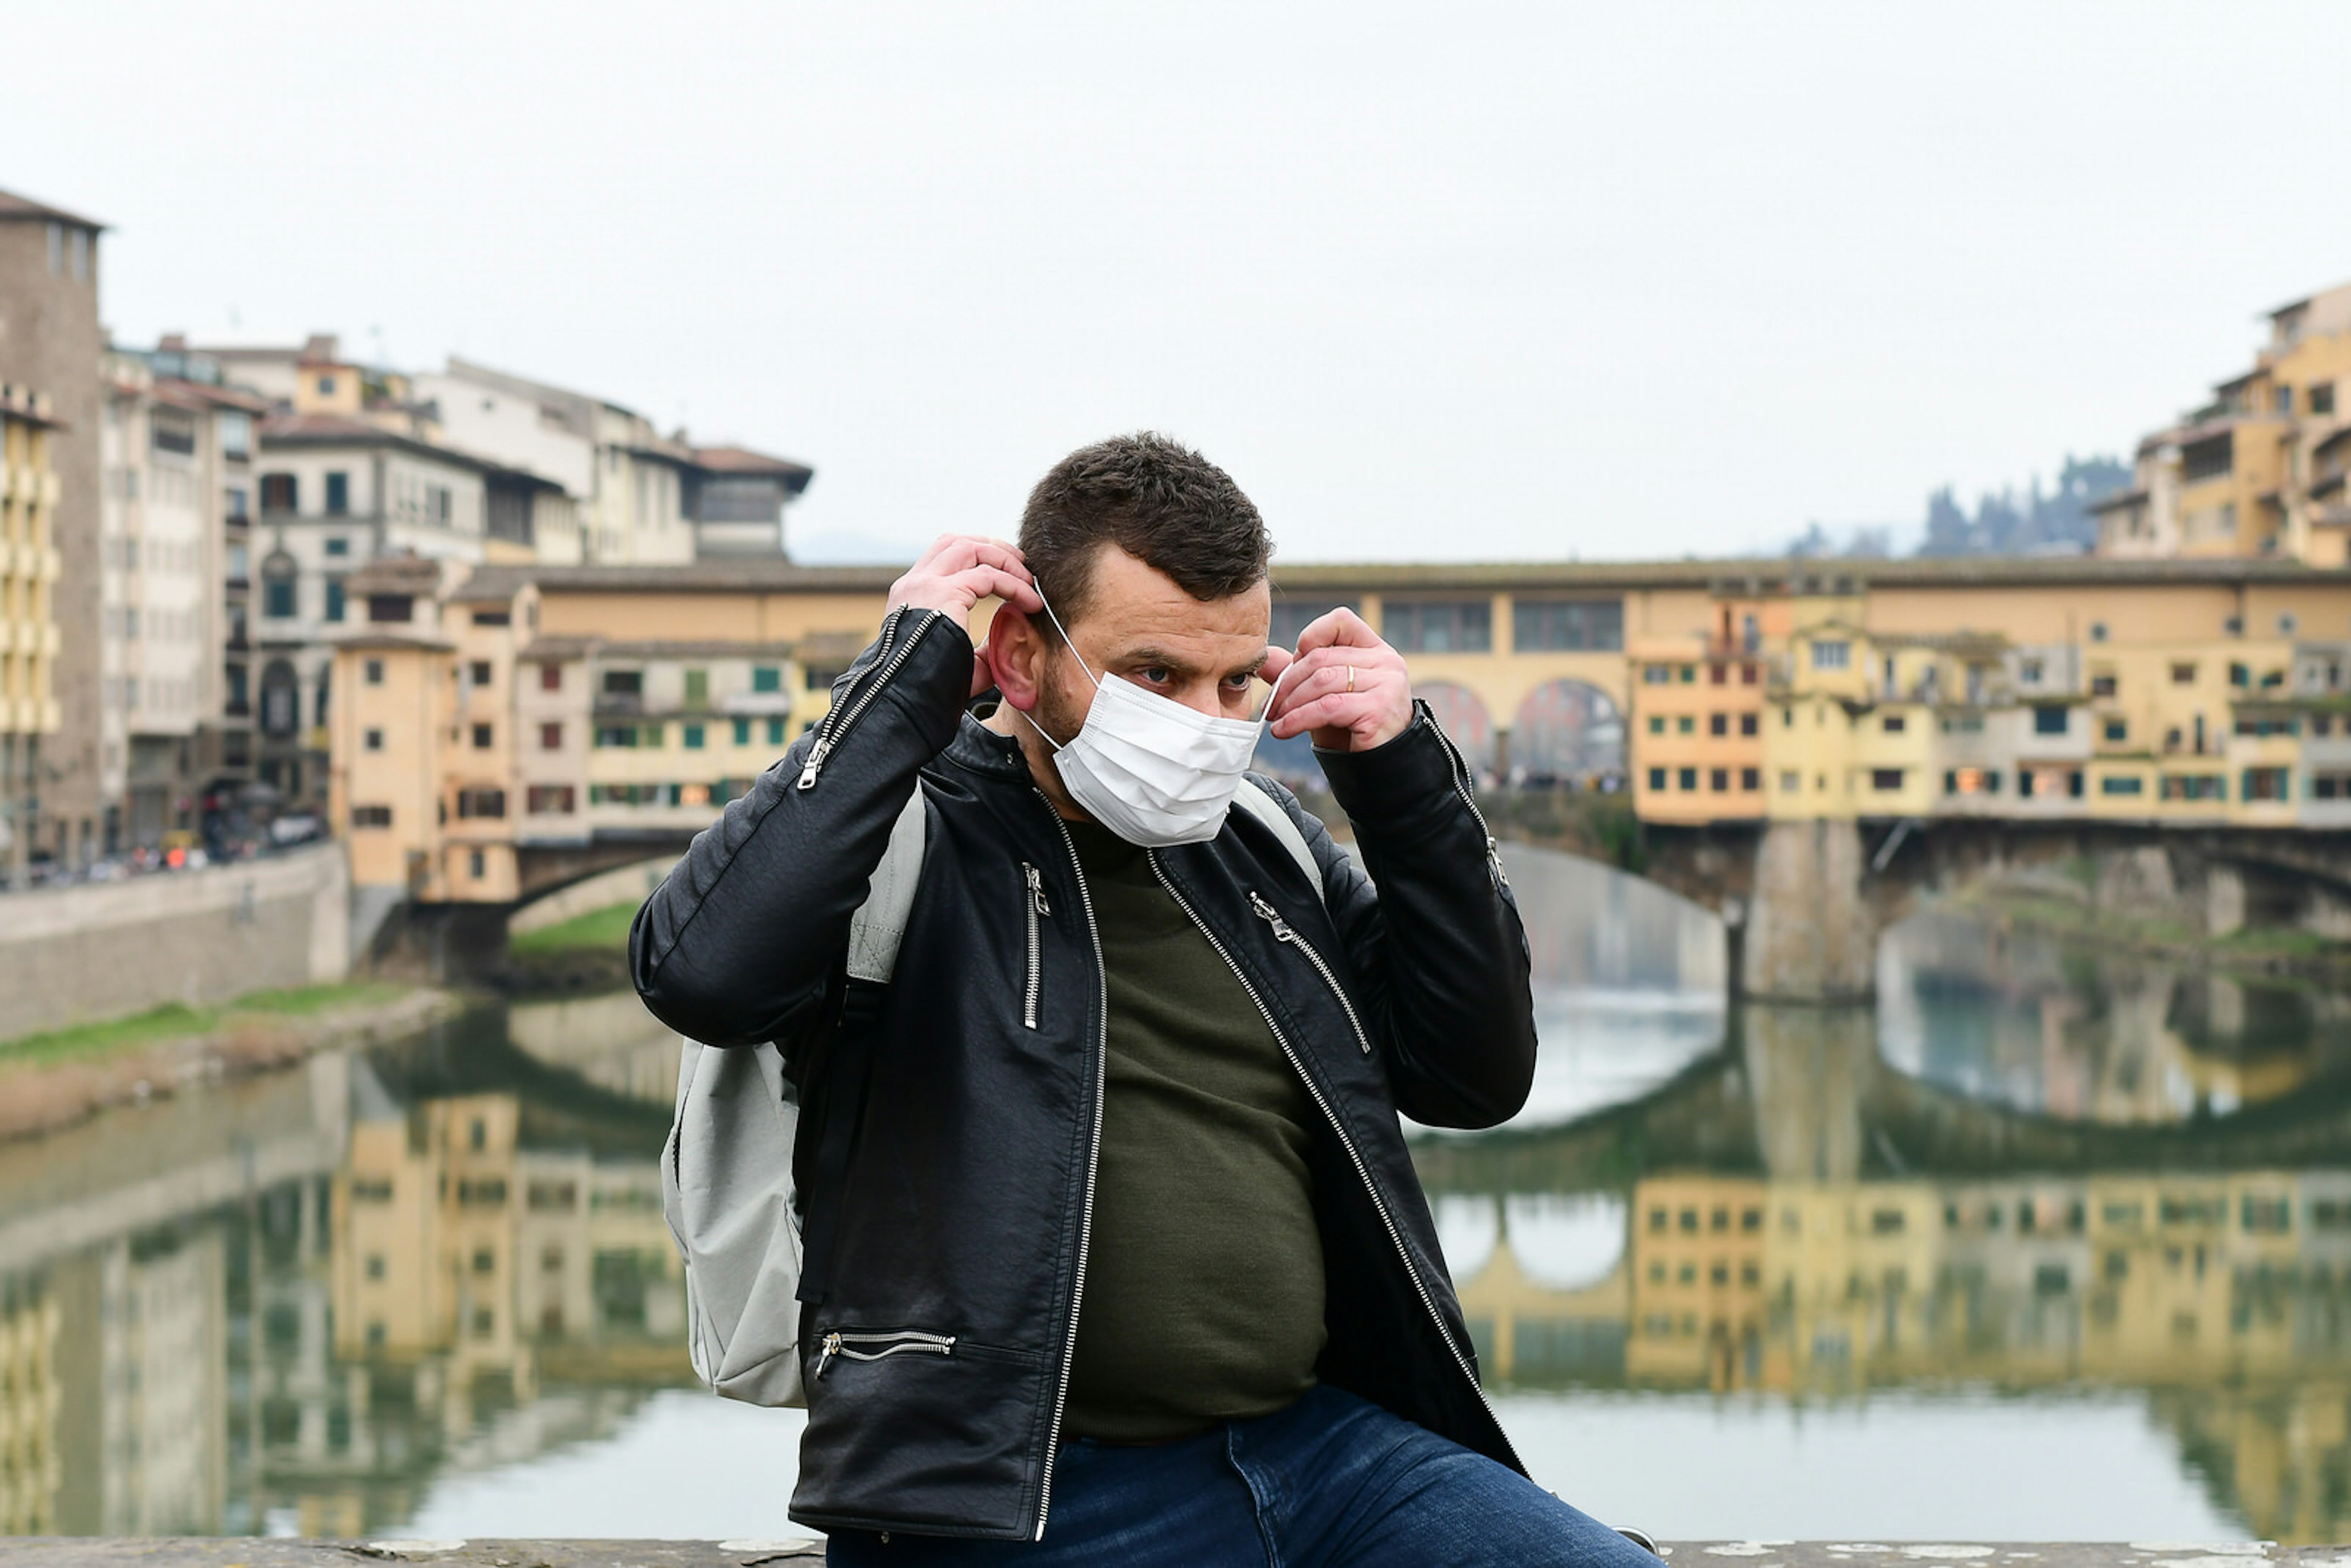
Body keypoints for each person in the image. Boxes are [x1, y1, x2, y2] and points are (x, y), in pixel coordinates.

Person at [631, 433, 1652, 1565]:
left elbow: (1473, 1075)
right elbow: (700, 973)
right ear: (1021, 657)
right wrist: (904, 681)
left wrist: (1403, 778)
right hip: (1010, 1491)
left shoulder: (1266, 841)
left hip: (1326, 1456)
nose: (1206, 723)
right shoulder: (906, 840)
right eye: (1155, 674)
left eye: (1235, 682)